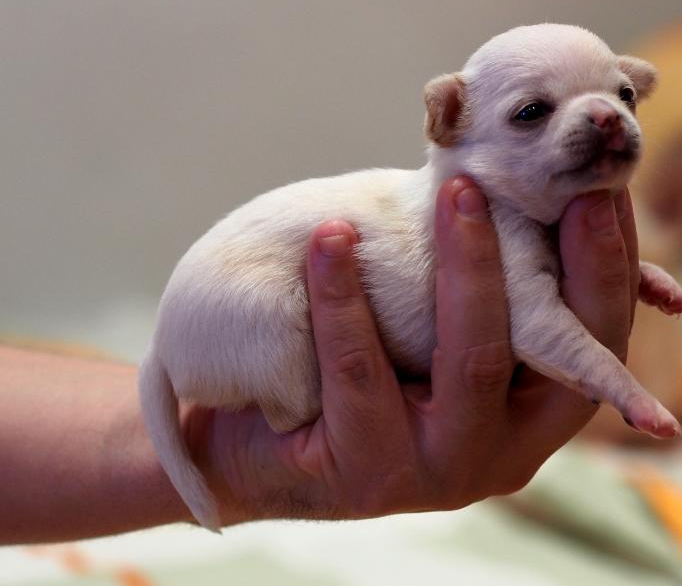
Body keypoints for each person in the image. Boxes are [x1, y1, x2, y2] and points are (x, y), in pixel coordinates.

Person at [0, 177, 639, 544]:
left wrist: (230, 455)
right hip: (232, 309)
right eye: (530, 113)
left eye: (625, 96)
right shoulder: (467, 203)